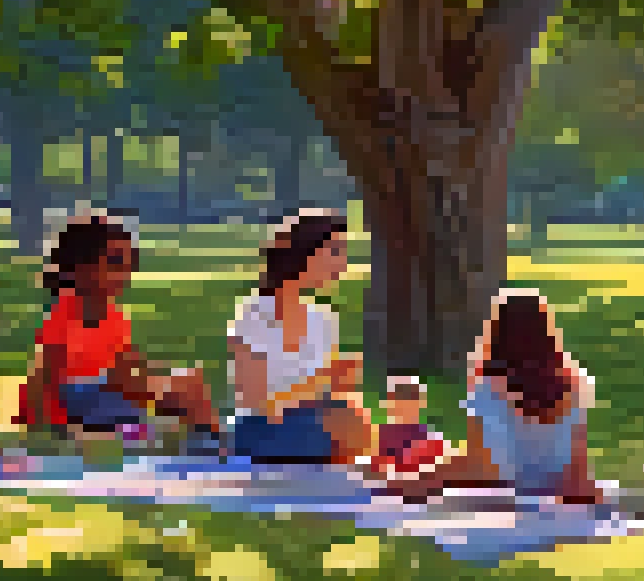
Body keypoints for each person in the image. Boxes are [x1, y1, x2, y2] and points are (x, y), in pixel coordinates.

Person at [23, 213, 223, 451]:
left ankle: (213, 444)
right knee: (174, 392)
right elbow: (43, 383)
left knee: (190, 381)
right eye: (116, 262)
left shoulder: (114, 314)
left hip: (107, 395)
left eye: (130, 263)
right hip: (76, 403)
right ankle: (207, 444)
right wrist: (61, 431)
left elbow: (126, 367)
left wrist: (161, 379)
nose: (126, 272)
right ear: (82, 267)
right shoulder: (63, 315)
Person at [227, 210, 378, 465]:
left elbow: (335, 395)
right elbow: (255, 400)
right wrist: (324, 380)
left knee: (355, 416)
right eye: (334, 253)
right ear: (305, 254)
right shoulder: (256, 313)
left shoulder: (324, 318)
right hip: (260, 429)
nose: (342, 264)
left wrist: (343, 385)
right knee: (349, 422)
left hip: (313, 422)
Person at [450, 289, 601, 504]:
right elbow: (578, 467)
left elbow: (480, 467)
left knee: (439, 466)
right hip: (556, 490)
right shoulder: (574, 386)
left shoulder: (485, 389)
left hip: (504, 495)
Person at [364, 375, 455, 502]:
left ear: (420, 403)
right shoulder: (379, 437)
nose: (405, 404)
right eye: (399, 398)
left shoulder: (434, 439)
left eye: (411, 398)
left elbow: (442, 472)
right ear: (391, 402)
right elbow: (376, 473)